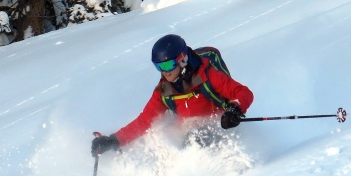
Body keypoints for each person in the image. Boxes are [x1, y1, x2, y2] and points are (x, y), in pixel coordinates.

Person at [91, 34, 254, 156]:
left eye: (168, 65)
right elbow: (144, 121)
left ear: (182, 60)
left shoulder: (208, 76)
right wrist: (113, 140)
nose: (164, 72)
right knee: (185, 142)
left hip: (220, 128)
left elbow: (243, 93)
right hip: (188, 136)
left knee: (197, 137)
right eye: (159, 67)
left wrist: (235, 109)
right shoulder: (164, 92)